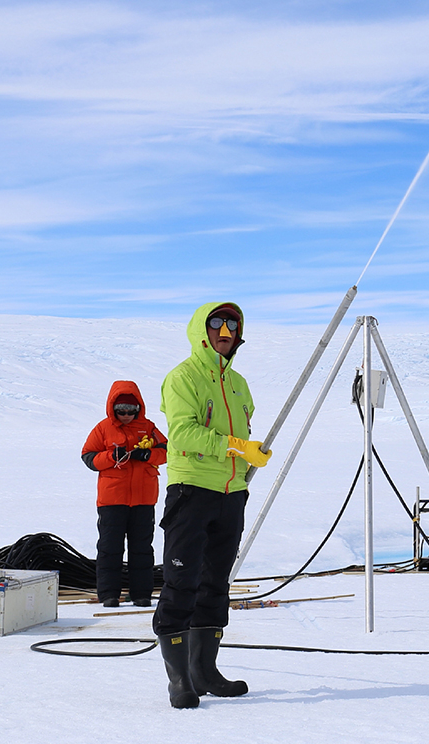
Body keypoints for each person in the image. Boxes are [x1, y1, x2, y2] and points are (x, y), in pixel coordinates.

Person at [153, 301, 272, 710]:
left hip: (231, 494)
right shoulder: (182, 377)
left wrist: (248, 453)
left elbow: (244, 426)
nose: (226, 330)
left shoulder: (239, 383)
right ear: (202, 331)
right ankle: (179, 679)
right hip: (191, 492)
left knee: (216, 584)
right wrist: (235, 447)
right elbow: (182, 434)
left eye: (233, 324)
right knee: (181, 582)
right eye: (218, 323)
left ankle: (205, 671)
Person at [80, 381, 168, 608]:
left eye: (132, 410)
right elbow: (89, 457)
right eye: (121, 410)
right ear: (113, 408)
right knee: (110, 549)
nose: (127, 415)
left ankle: (142, 594)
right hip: (112, 500)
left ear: (139, 407)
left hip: (143, 499)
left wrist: (147, 456)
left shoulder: (149, 428)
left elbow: (167, 452)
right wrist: (111, 456)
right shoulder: (103, 429)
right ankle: (108, 594)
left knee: (142, 549)